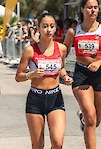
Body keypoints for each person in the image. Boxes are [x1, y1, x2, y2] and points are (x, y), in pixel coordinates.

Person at [63, 0, 101, 149]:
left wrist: (100, 62)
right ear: (82, 9)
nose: (93, 10)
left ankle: (84, 119)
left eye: (95, 7)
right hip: (81, 74)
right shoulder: (73, 31)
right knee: (90, 118)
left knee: (96, 120)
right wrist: (62, 72)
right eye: (89, 7)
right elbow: (62, 52)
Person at [15, 13, 73, 149]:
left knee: (57, 142)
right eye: (45, 26)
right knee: (37, 145)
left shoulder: (62, 48)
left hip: (55, 98)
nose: (48, 30)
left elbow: (62, 68)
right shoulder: (30, 50)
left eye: (51, 26)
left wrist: (65, 76)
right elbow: (18, 76)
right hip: (36, 99)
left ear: (55, 28)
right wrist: (32, 74)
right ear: (38, 28)